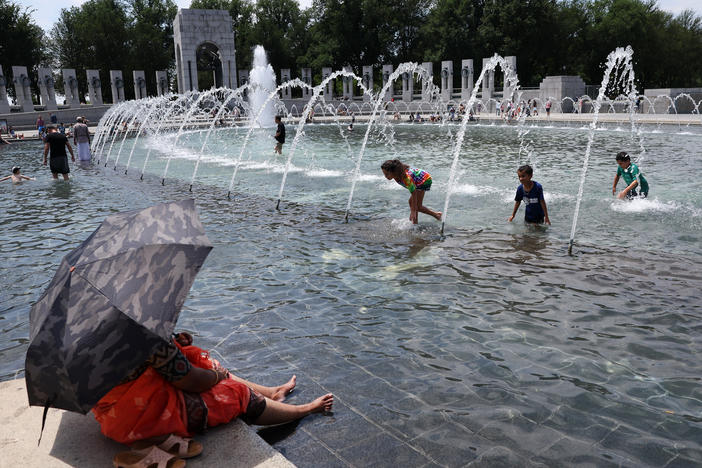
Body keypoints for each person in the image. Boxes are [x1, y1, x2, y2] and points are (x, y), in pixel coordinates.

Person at [92, 332, 333, 447]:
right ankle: (304, 409)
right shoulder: (146, 333)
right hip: (140, 419)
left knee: (202, 362)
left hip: (112, 413)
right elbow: (190, 380)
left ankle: (272, 394)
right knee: (235, 393)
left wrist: (176, 343)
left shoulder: (97, 330)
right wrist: (217, 375)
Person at [381, 159, 442, 224]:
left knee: (416, 206)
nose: (385, 177)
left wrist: (413, 211)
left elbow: (414, 192)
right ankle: (436, 215)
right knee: (413, 203)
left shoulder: (405, 178)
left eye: (387, 174)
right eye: (384, 174)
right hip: (419, 180)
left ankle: (415, 224)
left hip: (424, 180)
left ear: (394, 171)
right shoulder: (397, 174)